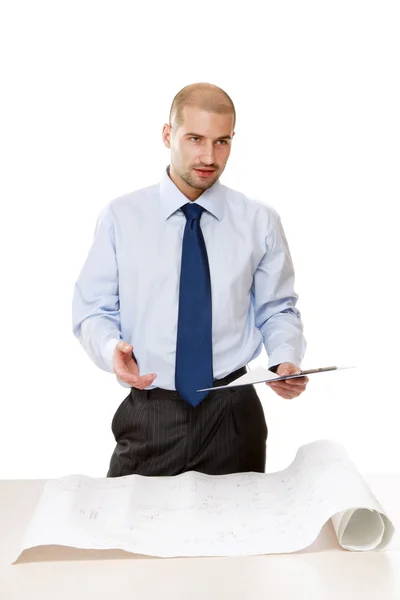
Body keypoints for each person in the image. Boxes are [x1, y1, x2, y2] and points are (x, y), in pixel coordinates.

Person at [72, 82, 309, 478]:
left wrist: (285, 359)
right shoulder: (121, 217)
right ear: (168, 135)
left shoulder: (259, 221)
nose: (208, 156)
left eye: (222, 142)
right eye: (195, 139)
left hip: (234, 412)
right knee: (132, 533)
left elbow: (277, 308)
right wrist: (111, 348)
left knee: (236, 534)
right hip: (151, 410)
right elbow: (93, 309)